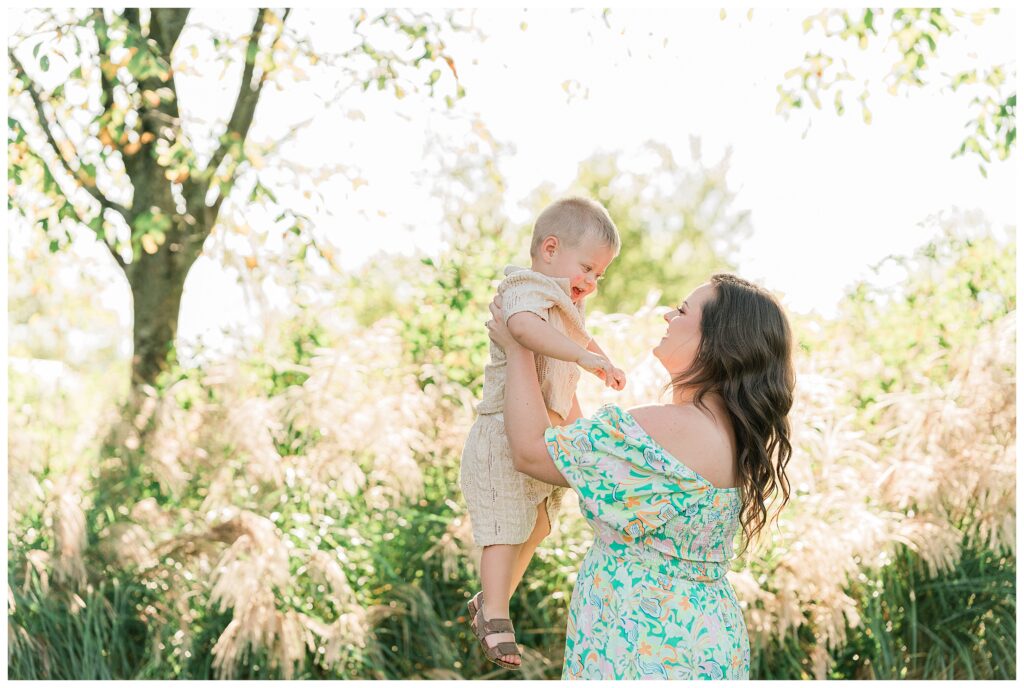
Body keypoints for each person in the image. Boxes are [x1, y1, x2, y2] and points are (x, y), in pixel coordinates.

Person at [487, 273, 795, 679]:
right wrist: (557, 361)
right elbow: (581, 455)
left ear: (720, 340)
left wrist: (518, 348)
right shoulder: (732, 435)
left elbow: (531, 453)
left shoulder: (668, 428)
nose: (669, 315)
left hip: (642, 648)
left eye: (683, 311)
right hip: (702, 640)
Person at [461, 197, 628, 669]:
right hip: (500, 436)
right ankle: (495, 613)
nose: (591, 284)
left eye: (599, 277)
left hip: (543, 434)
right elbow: (524, 331)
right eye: (588, 269)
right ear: (550, 248)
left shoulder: (561, 304)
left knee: (537, 525)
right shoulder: (524, 289)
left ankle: (490, 600)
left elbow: (575, 338)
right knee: (504, 528)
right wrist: (584, 358)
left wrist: (600, 358)